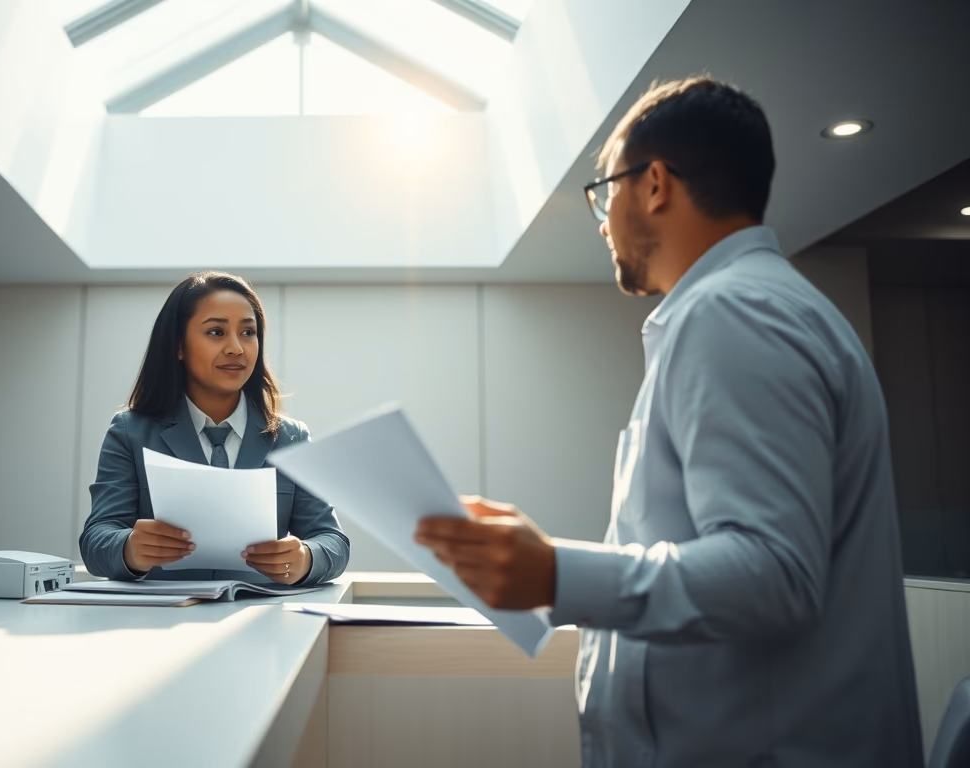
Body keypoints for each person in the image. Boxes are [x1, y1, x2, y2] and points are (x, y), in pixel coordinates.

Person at [414, 77, 922, 766]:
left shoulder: (734, 313)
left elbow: (775, 572)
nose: (601, 221)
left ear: (654, 184)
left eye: (604, 192)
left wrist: (559, 573)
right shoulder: (754, 308)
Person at [80, 271, 349, 585]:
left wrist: (306, 557)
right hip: (161, 620)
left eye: (248, 332)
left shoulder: (291, 438)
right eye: (216, 332)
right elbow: (96, 539)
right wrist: (129, 549)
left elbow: (333, 542)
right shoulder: (129, 431)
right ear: (178, 346)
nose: (236, 348)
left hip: (261, 619)